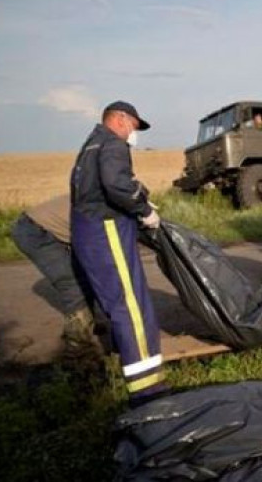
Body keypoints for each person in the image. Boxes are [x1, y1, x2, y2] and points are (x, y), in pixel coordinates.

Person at [70, 100, 168, 407]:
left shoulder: (91, 144)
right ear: (121, 119)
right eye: (135, 126)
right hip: (106, 230)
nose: (135, 133)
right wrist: (143, 210)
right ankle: (148, 393)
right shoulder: (112, 144)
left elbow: (102, 187)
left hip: (89, 230)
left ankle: (135, 380)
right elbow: (116, 185)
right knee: (131, 308)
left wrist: (141, 200)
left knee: (116, 304)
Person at [11, 194, 100, 361]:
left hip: (49, 228)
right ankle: (77, 347)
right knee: (73, 283)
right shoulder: (103, 207)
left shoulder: (106, 197)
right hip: (35, 231)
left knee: (89, 273)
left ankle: (90, 323)